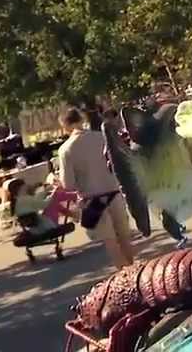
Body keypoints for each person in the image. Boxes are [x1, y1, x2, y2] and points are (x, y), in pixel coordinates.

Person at [56, 108, 135, 270]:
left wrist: (56, 182)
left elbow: (68, 185)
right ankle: (134, 271)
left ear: (65, 126)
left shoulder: (65, 150)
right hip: (113, 190)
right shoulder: (102, 137)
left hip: (90, 199)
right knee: (124, 236)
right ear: (81, 118)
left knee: (110, 241)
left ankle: (125, 275)